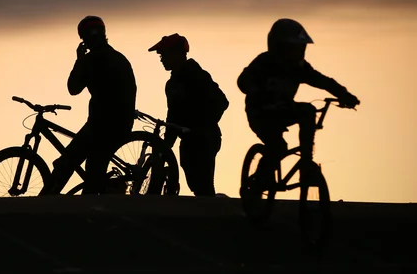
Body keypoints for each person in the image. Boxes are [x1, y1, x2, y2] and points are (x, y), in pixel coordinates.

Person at [237, 18, 360, 186]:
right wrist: (255, 90)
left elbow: (322, 81)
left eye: (300, 48)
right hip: (261, 114)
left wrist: (344, 95)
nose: (298, 53)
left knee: (308, 111)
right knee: (278, 147)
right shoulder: (264, 63)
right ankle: (260, 180)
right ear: (279, 47)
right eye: (293, 48)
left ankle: (306, 164)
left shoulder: (299, 68)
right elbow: (242, 81)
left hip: (282, 110)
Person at [41, 15, 137, 195]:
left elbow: (73, 88)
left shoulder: (91, 60)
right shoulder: (119, 59)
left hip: (101, 124)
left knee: (70, 161)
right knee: (92, 166)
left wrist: (79, 60)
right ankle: (92, 201)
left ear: (84, 39)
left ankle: (50, 201)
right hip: (120, 123)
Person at [148, 33, 229, 197]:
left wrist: (200, 127)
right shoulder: (172, 84)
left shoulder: (197, 75)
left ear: (176, 54)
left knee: (203, 185)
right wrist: (166, 146)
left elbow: (222, 102)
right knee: (195, 184)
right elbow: (173, 116)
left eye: (164, 55)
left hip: (205, 138)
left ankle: (215, 214)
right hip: (188, 140)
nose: (161, 59)